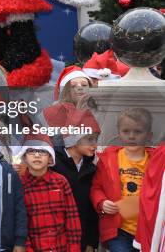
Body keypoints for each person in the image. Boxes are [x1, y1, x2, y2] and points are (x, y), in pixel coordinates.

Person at [90, 108, 155, 251]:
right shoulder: (108, 159)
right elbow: (96, 187)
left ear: (149, 135)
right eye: (126, 131)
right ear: (119, 134)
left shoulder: (157, 161)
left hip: (147, 229)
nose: (131, 136)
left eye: (138, 131)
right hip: (118, 229)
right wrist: (102, 202)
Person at [20, 136, 82, 252]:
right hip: (35, 247)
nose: (37, 155)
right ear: (24, 157)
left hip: (61, 247)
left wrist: (74, 248)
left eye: (43, 151)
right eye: (31, 151)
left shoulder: (61, 182)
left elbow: (72, 218)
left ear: (50, 158)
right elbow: (20, 223)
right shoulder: (19, 185)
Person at [52, 114, 101, 252]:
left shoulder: (91, 170)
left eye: (96, 139)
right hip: (54, 238)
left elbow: (91, 211)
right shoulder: (53, 164)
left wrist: (91, 242)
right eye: (89, 139)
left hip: (80, 239)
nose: (94, 145)